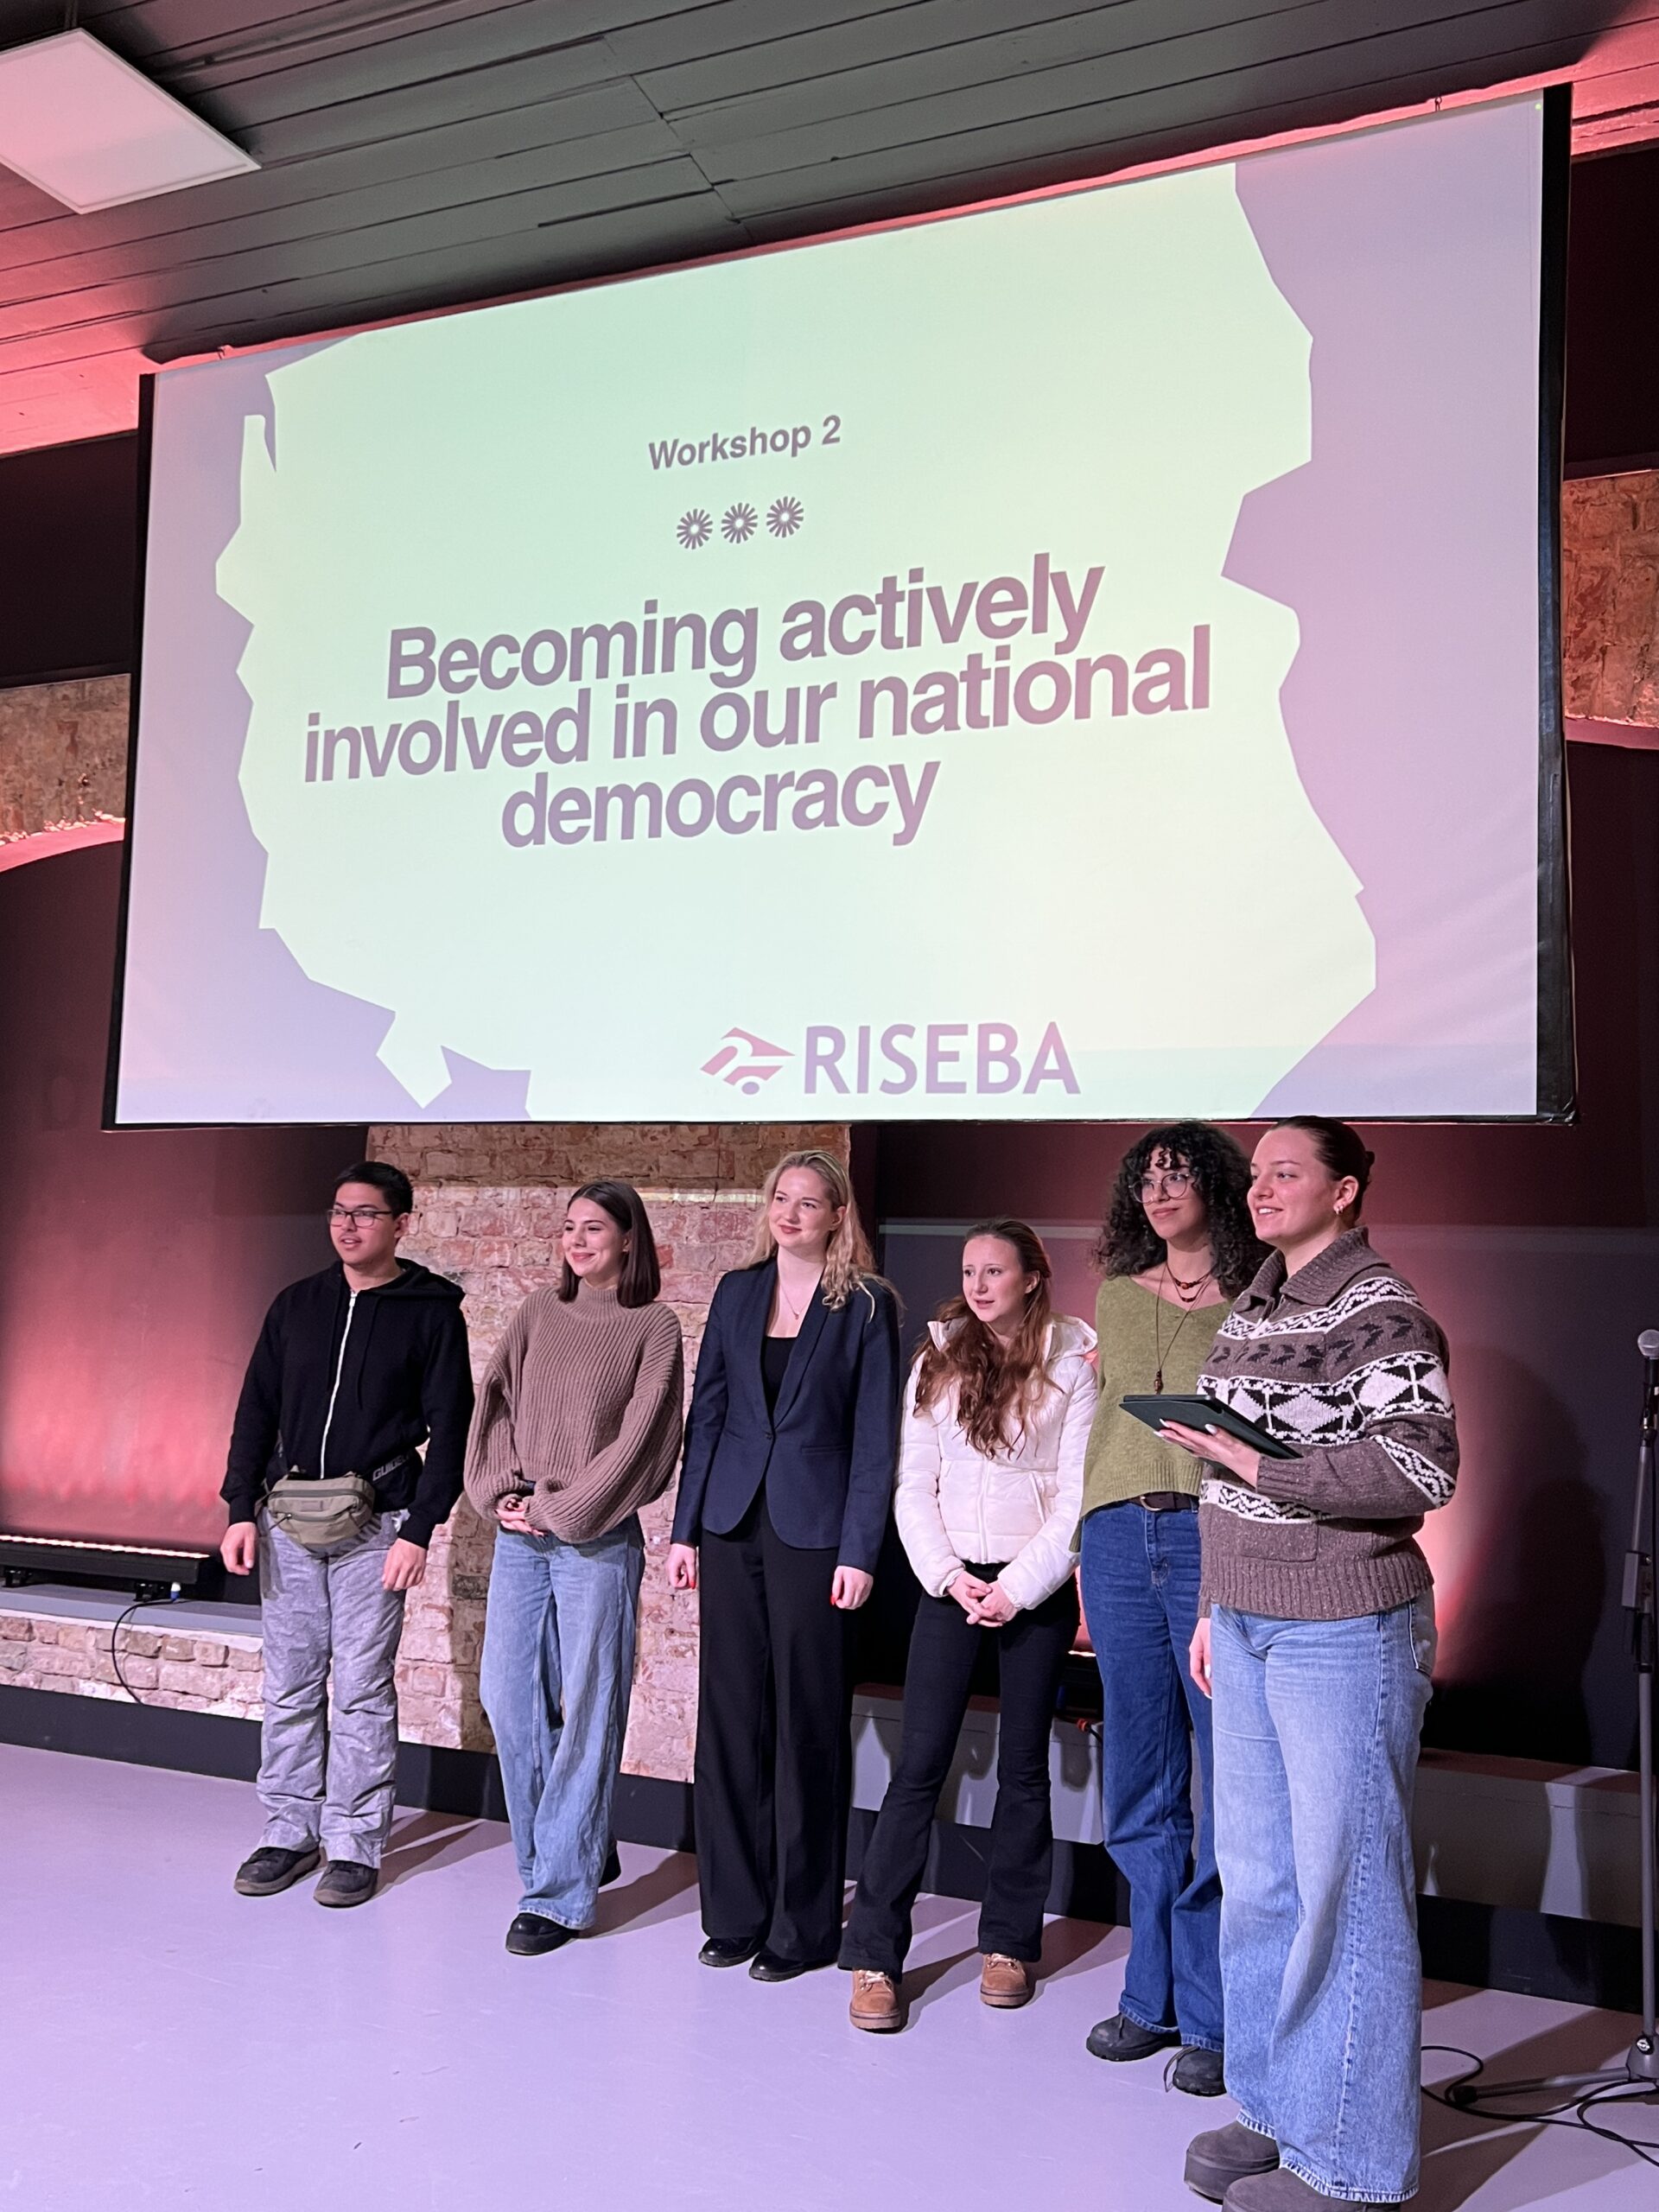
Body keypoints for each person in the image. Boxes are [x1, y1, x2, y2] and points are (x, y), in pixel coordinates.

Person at [1166, 1119, 1457, 2212]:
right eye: (1255, 1175)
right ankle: (1278, 2107)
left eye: (1286, 1172)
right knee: (1260, 1882)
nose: (1260, 1189)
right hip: (1245, 1622)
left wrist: (1260, 1463)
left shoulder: (1381, 1307)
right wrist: (1212, 1602)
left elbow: (1422, 1467)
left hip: (1343, 1628)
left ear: (1343, 1191)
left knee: (1347, 1891)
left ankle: (1355, 2165)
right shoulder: (1256, 1306)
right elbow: (1221, 1479)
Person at [839, 1219, 1096, 2031]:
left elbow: (1077, 1493)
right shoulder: (937, 1359)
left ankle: (1008, 1946)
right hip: (948, 1587)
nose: (979, 1285)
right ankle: (875, 1956)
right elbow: (913, 1485)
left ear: (1032, 1278)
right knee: (917, 1767)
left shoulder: (1072, 1363)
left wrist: (1016, 1589)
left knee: (1023, 1770)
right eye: (969, 1271)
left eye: (995, 1271)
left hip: (1033, 1592)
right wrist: (949, 1577)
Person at [668, 1148, 900, 1981]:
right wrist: (685, 1530)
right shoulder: (737, 1292)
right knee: (730, 1720)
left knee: (807, 1725)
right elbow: (709, 1414)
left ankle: (801, 1929)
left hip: (817, 1534)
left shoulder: (866, 1305)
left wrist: (861, 1549)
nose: (790, 1213)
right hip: (731, 1524)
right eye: (781, 1198)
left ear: (838, 1216)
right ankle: (734, 1914)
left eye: (808, 1202)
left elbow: (876, 1436)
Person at [220, 1161, 474, 1908]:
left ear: (401, 1225)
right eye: (339, 1211)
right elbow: (255, 1410)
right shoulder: (296, 1305)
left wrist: (419, 1528)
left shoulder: (432, 1312)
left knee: (361, 1688)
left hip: (379, 1523)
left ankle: (355, 1844)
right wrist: (240, 1508)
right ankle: (289, 1831)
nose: (348, 1226)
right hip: (287, 1522)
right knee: (291, 1683)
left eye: (366, 1214)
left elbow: (453, 1428)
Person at [1078, 1122, 1263, 2096]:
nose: (1159, 1191)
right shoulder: (1115, 1294)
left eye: (1179, 1174)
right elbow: (1102, 1423)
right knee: (1140, 1774)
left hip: (1206, 1531)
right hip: (1117, 1534)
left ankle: (1216, 2014)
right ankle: (1147, 1996)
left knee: (1224, 1778)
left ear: (1216, 1187)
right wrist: (1083, 1537)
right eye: (1146, 1178)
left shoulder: (1257, 1293)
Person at [466, 1180, 683, 1954]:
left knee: (589, 1705)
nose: (577, 1240)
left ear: (628, 1239)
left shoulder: (653, 1326)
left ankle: (557, 1894)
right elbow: (494, 1406)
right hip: (520, 1534)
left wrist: (561, 1509)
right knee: (508, 1698)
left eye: (594, 1228)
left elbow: (643, 1443)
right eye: (568, 1227)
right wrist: (501, 1492)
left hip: (596, 1537)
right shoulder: (536, 1313)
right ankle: (570, 1851)